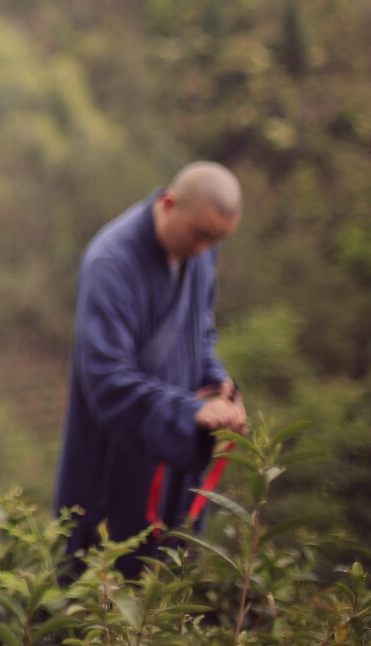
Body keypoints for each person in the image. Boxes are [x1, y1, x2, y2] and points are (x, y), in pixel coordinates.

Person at [52, 162, 247, 567]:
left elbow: (201, 332)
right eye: (200, 235)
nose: (205, 249)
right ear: (169, 204)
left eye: (217, 240)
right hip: (117, 459)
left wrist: (216, 383)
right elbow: (106, 378)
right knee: (101, 595)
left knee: (168, 595)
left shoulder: (201, 253)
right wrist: (190, 411)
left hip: (174, 460)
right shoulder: (111, 262)